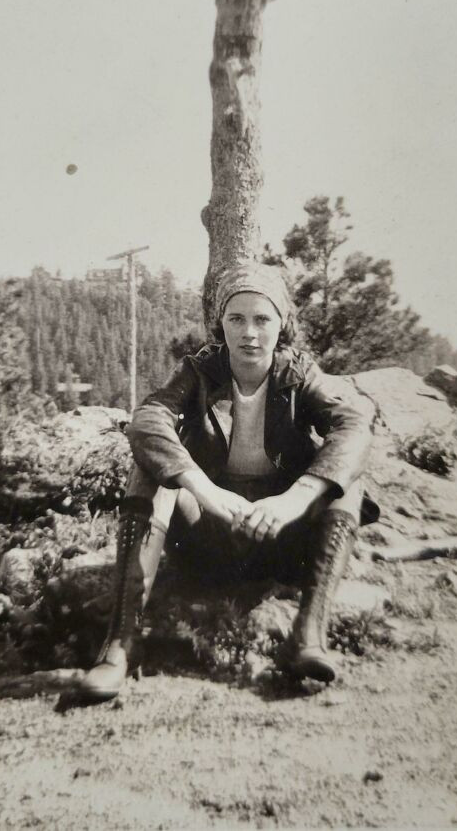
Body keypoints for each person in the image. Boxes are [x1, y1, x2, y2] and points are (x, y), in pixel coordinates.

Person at [76, 262, 377, 703]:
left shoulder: (298, 375)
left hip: (282, 538)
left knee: (346, 479)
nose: (249, 333)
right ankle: (119, 645)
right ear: (221, 324)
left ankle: (308, 635)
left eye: (262, 319)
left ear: (282, 324)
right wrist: (204, 489)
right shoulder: (200, 373)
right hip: (212, 534)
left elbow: (353, 426)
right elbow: (148, 420)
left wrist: (296, 499)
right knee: (151, 469)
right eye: (237, 319)